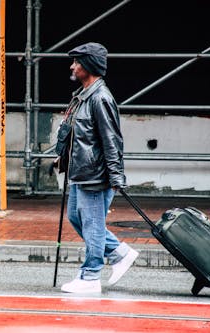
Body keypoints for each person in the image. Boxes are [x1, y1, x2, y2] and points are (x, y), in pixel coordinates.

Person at [58, 42, 138, 294]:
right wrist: (62, 157)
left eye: (77, 62)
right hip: (81, 172)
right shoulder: (83, 95)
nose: (72, 66)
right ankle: (119, 252)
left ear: (89, 65)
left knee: (92, 224)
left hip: (95, 176)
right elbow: (79, 136)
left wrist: (116, 176)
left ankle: (91, 276)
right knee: (76, 217)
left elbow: (111, 140)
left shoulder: (101, 98)